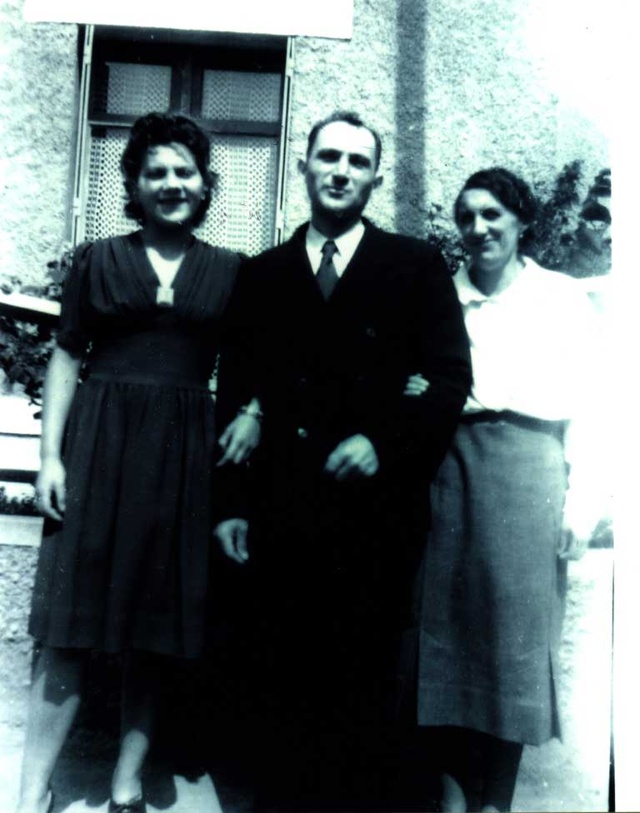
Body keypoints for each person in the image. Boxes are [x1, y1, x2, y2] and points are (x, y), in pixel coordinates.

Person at [213, 110, 472, 811]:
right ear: (303, 166)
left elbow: (450, 379)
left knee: (362, 684)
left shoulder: (414, 267)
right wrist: (231, 504)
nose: (340, 172)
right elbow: (237, 390)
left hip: (375, 513)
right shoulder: (263, 272)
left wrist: (383, 441)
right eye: (328, 157)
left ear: (376, 178)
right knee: (278, 675)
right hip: (279, 508)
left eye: (357, 162)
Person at [16, 112, 242, 813]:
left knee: (155, 632)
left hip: (182, 461)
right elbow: (64, 354)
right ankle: (28, 794)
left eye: (185, 171)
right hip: (99, 448)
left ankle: (124, 784)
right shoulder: (96, 259)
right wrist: (49, 458)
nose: (171, 183)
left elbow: (253, 366)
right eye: (156, 172)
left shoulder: (231, 271)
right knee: (68, 631)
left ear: (205, 186)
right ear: (134, 186)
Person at [403, 167, 602, 812]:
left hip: (529, 476)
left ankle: (496, 806)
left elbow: (598, 407)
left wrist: (582, 501)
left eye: (493, 214)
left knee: (511, 649)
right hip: (450, 471)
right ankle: (453, 804)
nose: (478, 228)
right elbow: (413, 376)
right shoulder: (440, 297)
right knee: (446, 645)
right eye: (467, 216)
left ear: (522, 221)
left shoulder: (563, 299)